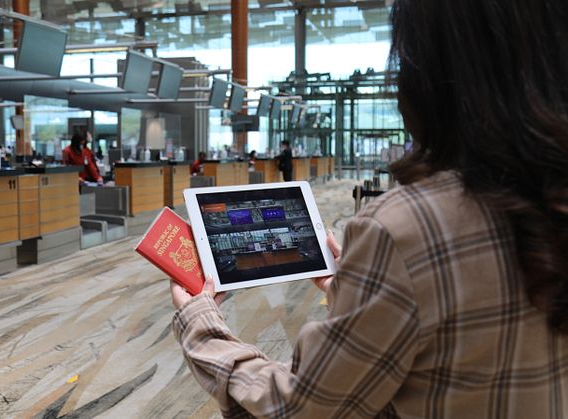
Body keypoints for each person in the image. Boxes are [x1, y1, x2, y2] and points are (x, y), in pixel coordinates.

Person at [168, 1, 568, 417]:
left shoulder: (406, 228)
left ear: (428, 72)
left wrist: (201, 321)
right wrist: (364, 285)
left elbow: (300, 408)